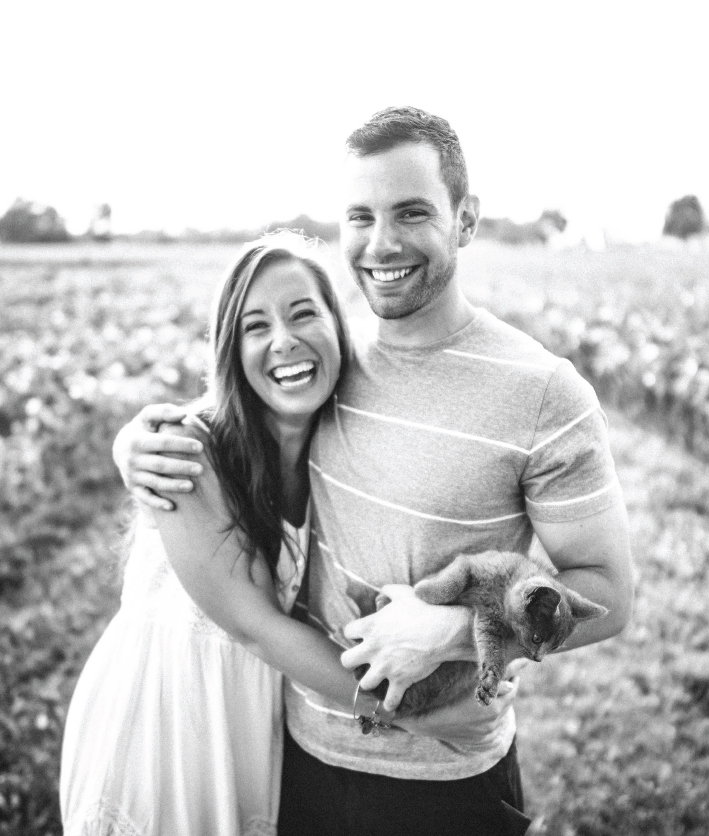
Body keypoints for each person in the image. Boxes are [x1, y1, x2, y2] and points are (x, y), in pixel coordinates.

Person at [114, 107, 634, 836]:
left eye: (412, 211)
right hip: (300, 756)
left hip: (449, 776)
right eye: (360, 215)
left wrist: (455, 632)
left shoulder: (545, 392)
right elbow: (228, 418)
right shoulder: (332, 362)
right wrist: (135, 440)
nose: (381, 242)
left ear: (466, 220)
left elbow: (609, 594)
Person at [62, 231, 454, 836]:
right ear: (230, 348)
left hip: (253, 726)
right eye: (255, 326)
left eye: (304, 314)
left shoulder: (338, 450)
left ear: (336, 326)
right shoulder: (189, 451)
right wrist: (419, 715)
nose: (284, 341)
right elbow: (256, 627)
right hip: (165, 725)